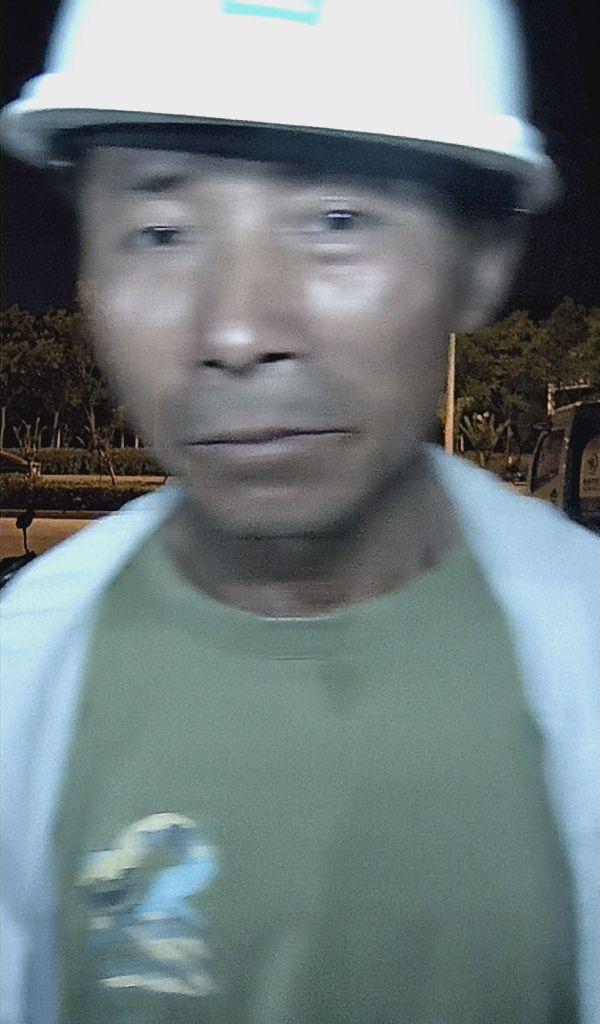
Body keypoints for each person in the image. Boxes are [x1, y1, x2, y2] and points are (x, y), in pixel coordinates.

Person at [1, 2, 598, 1022]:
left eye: (336, 221)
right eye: (161, 232)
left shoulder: (580, 651)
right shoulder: (24, 680)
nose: (236, 330)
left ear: (483, 260)